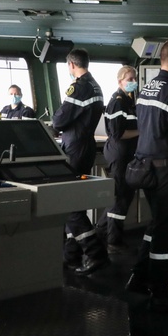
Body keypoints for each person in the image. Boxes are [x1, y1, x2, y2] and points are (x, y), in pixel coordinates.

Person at [125, 40, 168, 313]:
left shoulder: (146, 90)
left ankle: (139, 277)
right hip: (166, 169)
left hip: (145, 166)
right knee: (167, 231)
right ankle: (160, 292)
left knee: (157, 223)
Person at [52, 48, 108, 275]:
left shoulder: (79, 86)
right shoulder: (95, 85)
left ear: (71, 65)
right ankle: (71, 255)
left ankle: (95, 253)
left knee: (69, 205)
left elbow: (60, 119)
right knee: (74, 202)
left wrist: (55, 122)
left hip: (74, 148)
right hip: (85, 147)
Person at [95, 65, 139, 255]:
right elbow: (117, 133)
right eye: (129, 79)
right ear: (120, 81)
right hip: (119, 153)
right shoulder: (117, 102)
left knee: (124, 195)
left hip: (128, 153)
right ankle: (113, 240)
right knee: (120, 197)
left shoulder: (129, 101)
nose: (133, 82)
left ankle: (99, 232)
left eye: (134, 79)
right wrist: (142, 132)